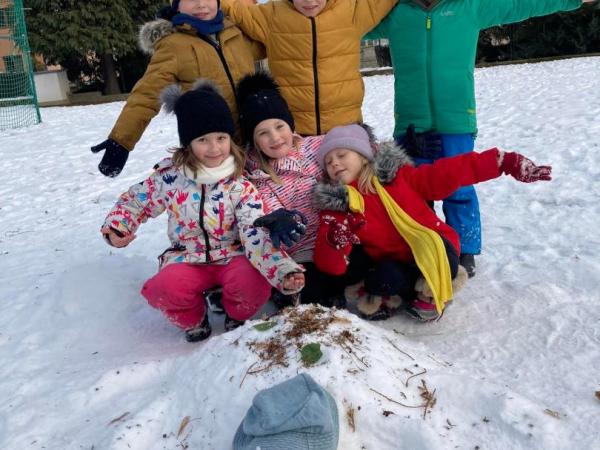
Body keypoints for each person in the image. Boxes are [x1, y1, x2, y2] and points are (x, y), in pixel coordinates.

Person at [364, 0, 594, 277]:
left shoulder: (469, 7)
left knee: (459, 187)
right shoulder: (394, 12)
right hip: (410, 124)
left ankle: (465, 249)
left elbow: (519, 4)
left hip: (456, 121)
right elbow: (344, 24)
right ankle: (420, 246)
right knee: (411, 191)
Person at [100, 80, 304, 342]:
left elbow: (255, 231)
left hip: (233, 256)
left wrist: (283, 270)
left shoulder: (240, 184)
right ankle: (194, 319)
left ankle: (235, 314)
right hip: (187, 258)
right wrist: (118, 227)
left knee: (253, 282)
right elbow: (136, 202)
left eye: (221, 138)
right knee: (163, 288)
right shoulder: (170, 179)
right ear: (188, 143)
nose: (214, 148)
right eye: (203, 140)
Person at [312, 124, 552, 321]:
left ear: (364, 156)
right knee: (382, 277)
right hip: (395, 262)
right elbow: (332, 266)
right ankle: (403, 294)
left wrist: (503, 162)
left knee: (442, 251)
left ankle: (431, 293)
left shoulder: (399, 177)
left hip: (431, 248)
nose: (334, 163)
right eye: (328, 161)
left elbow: (449, 172)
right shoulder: (338, 208)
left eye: (341, 155)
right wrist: (335, 241)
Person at [237, 71, 368, 308]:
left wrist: (378, 150)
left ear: (290, 124)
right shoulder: (255, 175)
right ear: (253, 140)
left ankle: (337, 286)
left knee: (363, 262)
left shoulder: (315, 146)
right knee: (312, 290)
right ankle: (294, 291)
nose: (275, 137)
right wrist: (278, 219)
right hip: (299, 251)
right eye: (263, 133)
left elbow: (351, 149)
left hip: (333, 237)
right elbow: (257, 211)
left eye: (280, 126)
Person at [91, 0, 263, 178]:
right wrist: (121, 141)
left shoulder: (236, 33)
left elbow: (276, 46)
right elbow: (147, 94)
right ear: (176, 6)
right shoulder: (173, 45)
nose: (201, 4)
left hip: (256, 142)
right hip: (211, 151)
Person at [220, 0, 398, 136]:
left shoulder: (351, 10)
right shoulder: (271, 16)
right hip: (293, 133)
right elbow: (235, 9)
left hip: (345, 129)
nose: (310, 1)